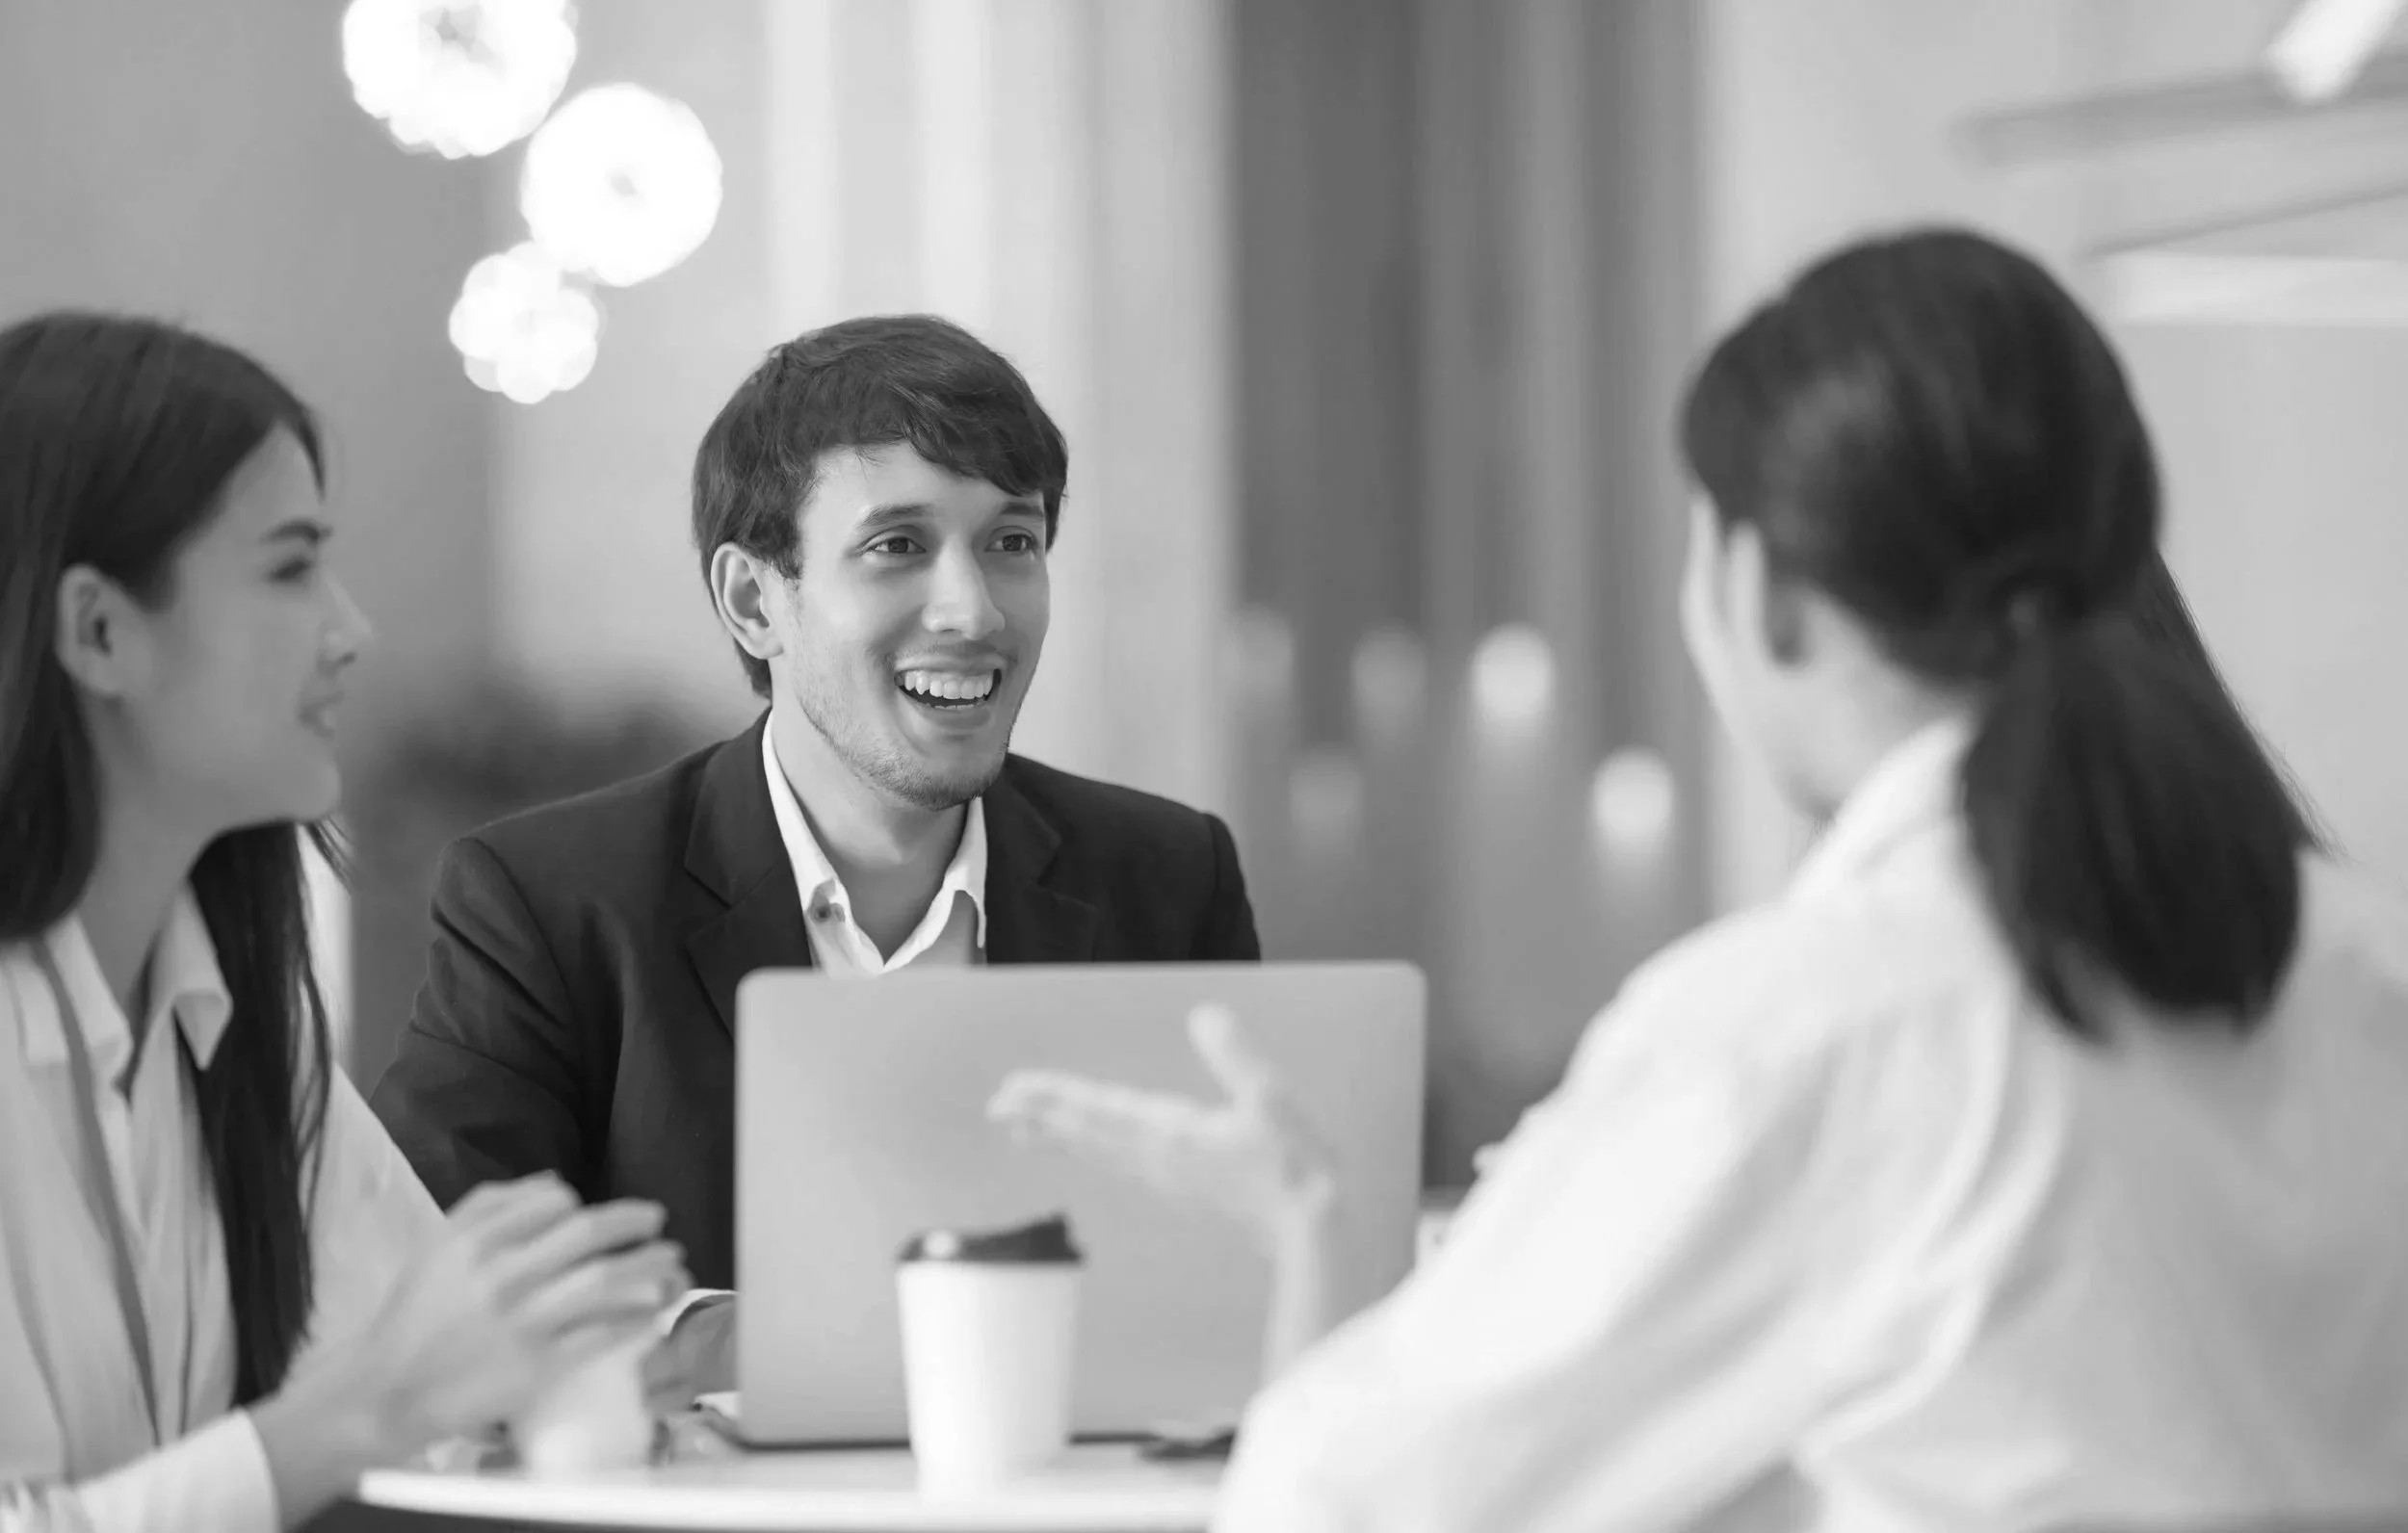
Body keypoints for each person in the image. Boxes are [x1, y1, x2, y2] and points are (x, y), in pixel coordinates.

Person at [993, 229, 2408, 1530]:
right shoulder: (2366, 966)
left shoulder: (1807, 1030)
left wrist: (1309, 1240)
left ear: (1765, 595)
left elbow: (1346, 1508)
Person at [369, 314, 1262, 1403]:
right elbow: (439, 1280)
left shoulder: (1168, 876)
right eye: (897, 545)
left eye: (1011, 541)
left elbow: (1238, 1269)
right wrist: (796, 1344)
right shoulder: (549, 899)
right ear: (755, 601)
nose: (973, 608)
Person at [0, 313, 689, 1532]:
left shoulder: (238, 1018)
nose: (350, 628)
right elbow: (392, 1389)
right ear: (98, 630)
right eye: (288, 565)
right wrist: (364, 1410)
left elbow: (459, 1377)